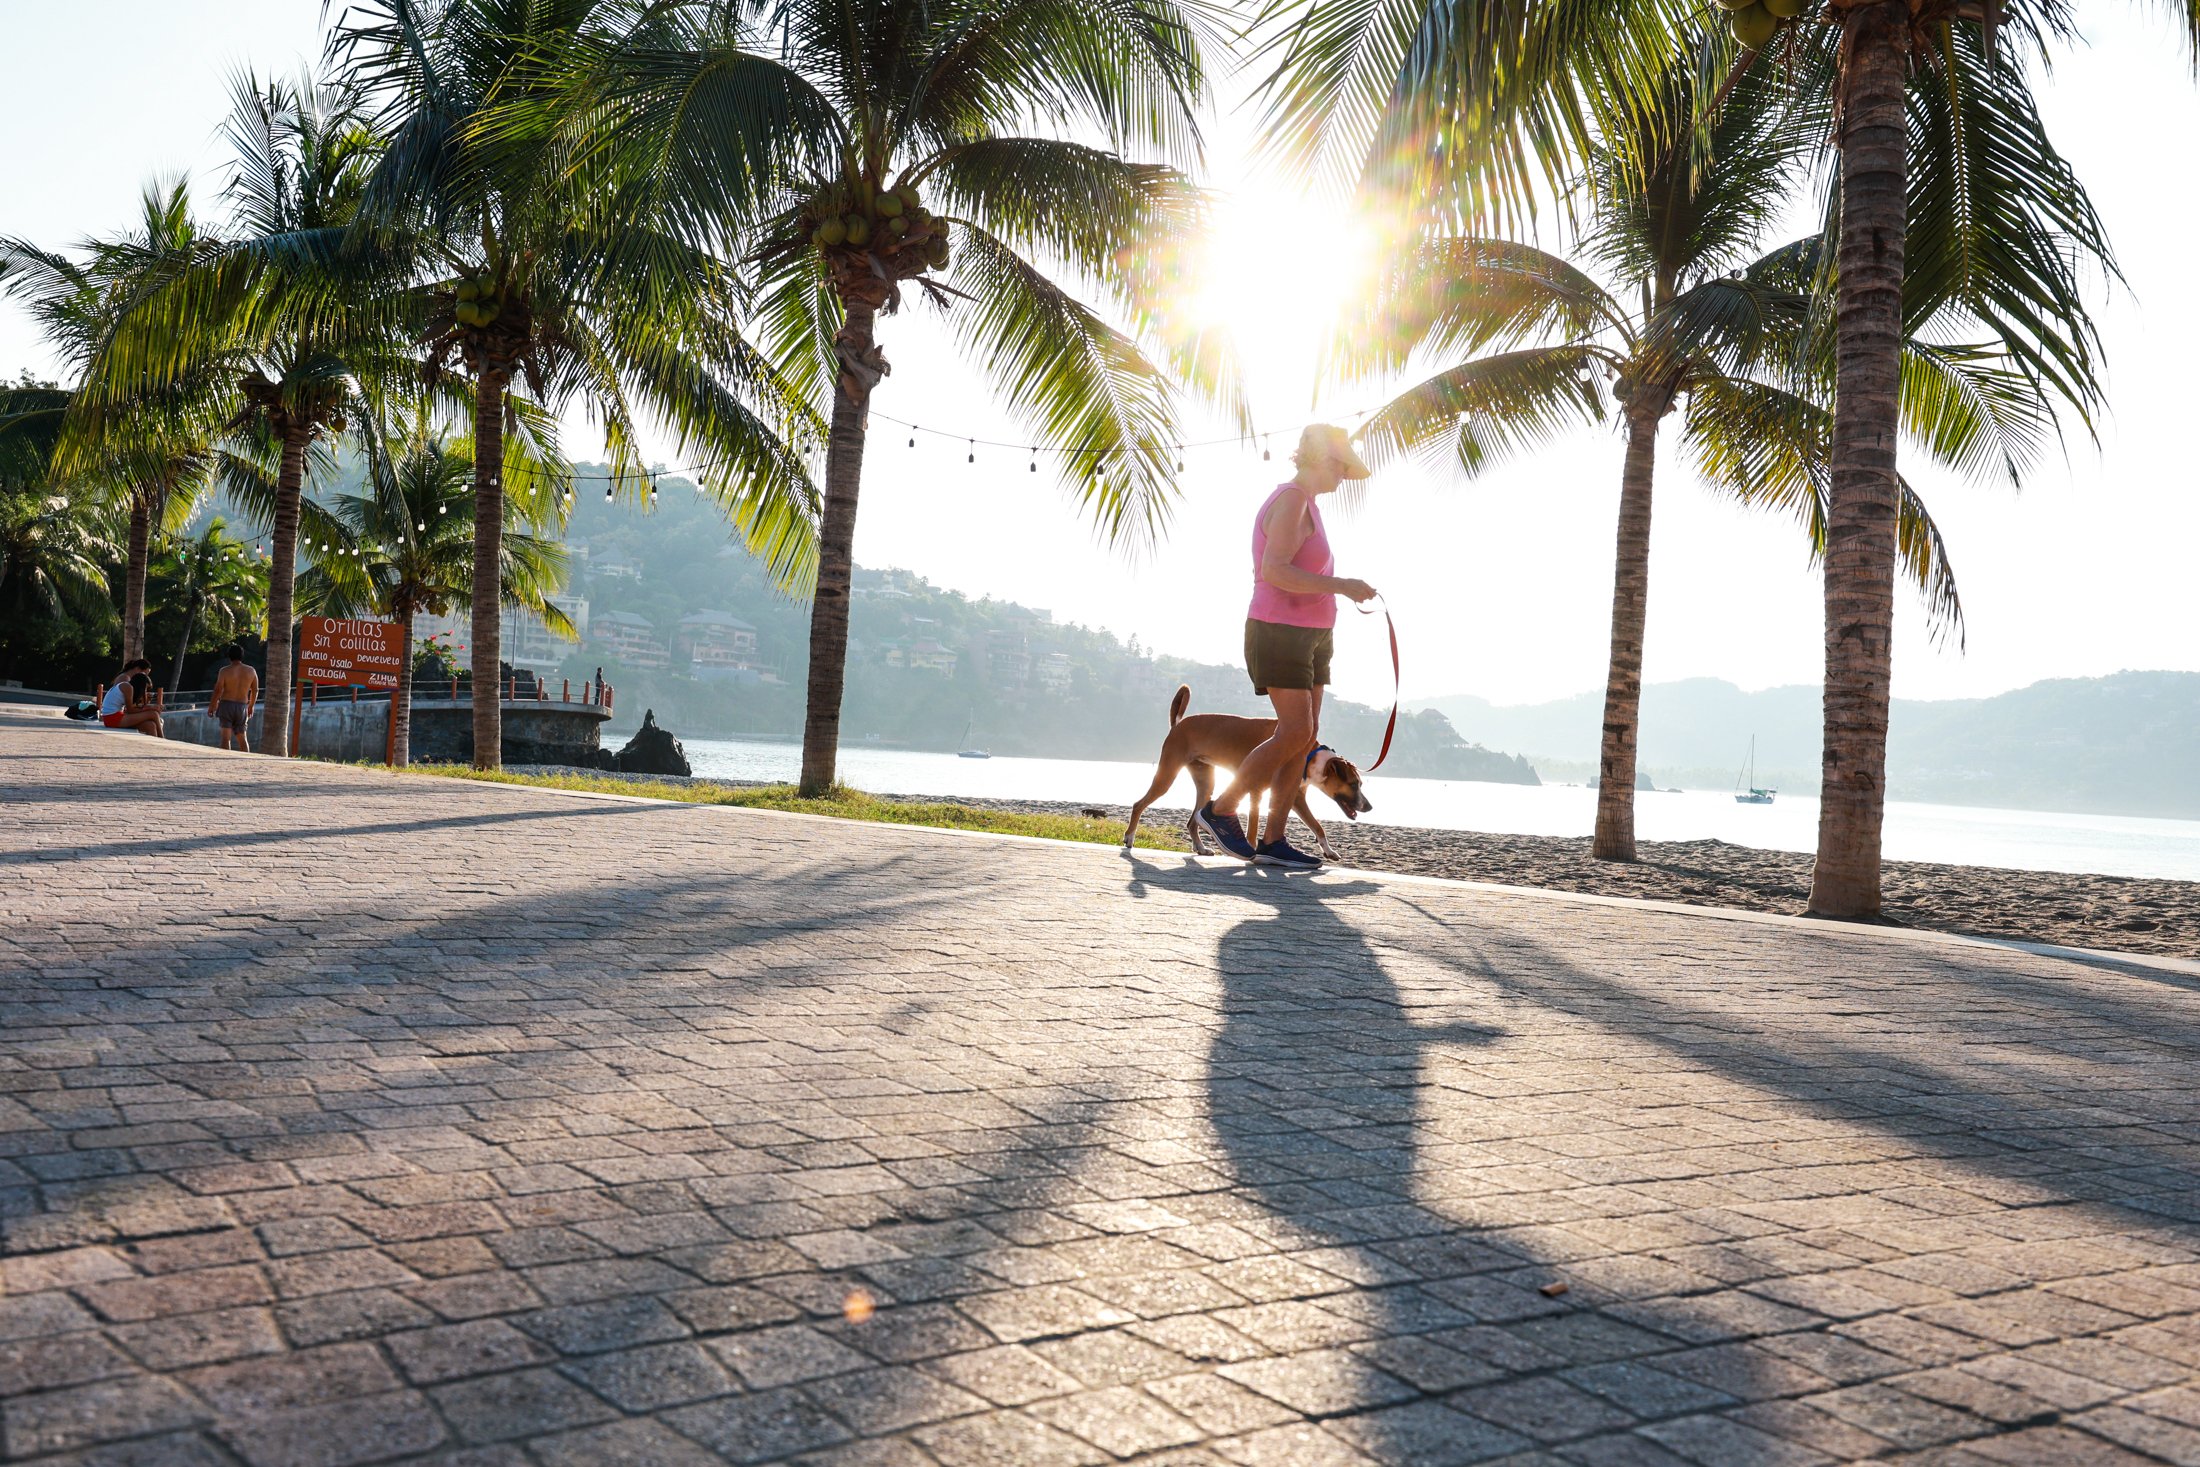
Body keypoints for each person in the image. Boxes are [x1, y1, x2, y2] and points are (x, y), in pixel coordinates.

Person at [1194, 424, 1377, 870]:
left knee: (1306, 735)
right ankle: (1220, 809)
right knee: (1294, 732)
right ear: (1323, 460)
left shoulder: (1309, 504)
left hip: (1312, 634)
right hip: (1279, 629)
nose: (1343, 476)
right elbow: (1273, 570)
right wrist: (1343, 585)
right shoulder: (1292, 499)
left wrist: (1338, 593)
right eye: (1341, 465)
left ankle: (1274, 839)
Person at [208, 643, 259, 752]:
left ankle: (226, 762)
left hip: (226, 705)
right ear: (242, 655)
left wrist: (212, 705)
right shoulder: (251, 671)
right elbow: (255, 690)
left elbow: (218, 690)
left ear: (229, 656)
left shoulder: (224, 671)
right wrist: (251, 706)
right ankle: (246, 762)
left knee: (225, 739)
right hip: (242, 707)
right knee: (243, 739)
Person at [97, 658, 163, 737]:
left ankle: (155, 746)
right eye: (145, 688)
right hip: (112, 718)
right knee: (153, 714)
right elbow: (130, 710)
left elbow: (131, 707)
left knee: (150, 725)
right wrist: (150, 708)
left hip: (113, 717)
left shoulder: (128, 686)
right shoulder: (127, 686)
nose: (145, 691)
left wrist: (147, 706)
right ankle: (162, 738)